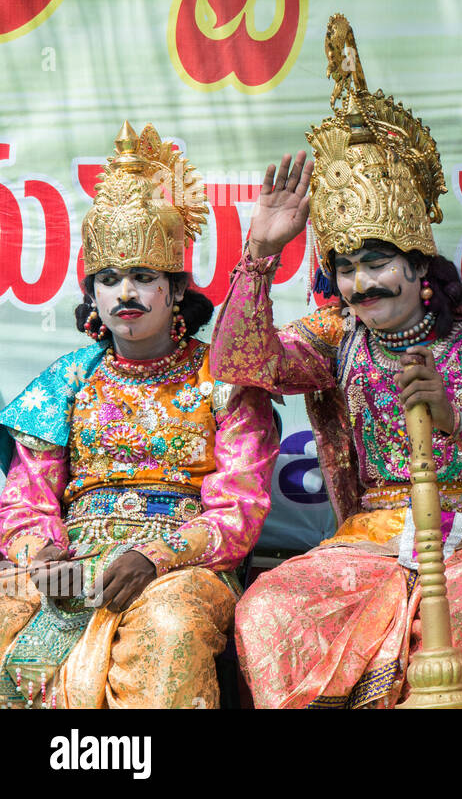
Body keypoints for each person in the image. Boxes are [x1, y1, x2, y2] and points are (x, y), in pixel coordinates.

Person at [211, 15, 462, 708]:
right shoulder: (337, 338)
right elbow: (240, 362)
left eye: (378, 264)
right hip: (370, 539)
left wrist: (457, 417)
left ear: (420, 265)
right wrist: (258, 257)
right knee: (268, 609)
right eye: (345, 267)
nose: (360, 284)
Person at [0, 122, 277, 708]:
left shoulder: (224, 381)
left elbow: (239, 511)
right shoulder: (67, 382)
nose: (125, 293)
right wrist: (41, 553)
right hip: (69, 565)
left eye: (143, 277)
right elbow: (27, 501)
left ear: (176, 290)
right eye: (108, 279)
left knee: (168, 632)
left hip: (182, 566)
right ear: (92, 296)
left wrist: (154, 556)